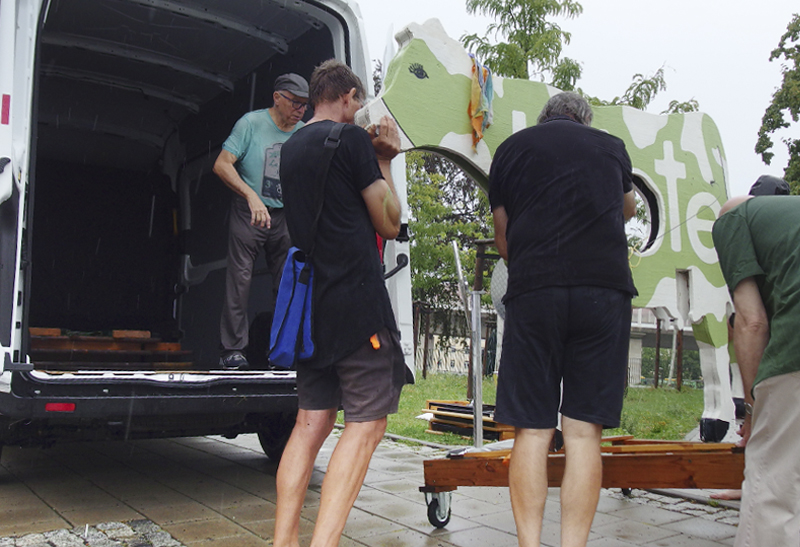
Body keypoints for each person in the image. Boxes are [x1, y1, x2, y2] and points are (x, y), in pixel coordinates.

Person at [274, 59, 413, 547]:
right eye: (358, 103)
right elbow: (389, 224)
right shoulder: (351, 140)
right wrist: (385, 160)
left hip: (313, 312)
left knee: (309, 424)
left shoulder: (290, 148)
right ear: (349, 97)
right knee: (367, 424)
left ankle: (284, 541)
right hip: (356, 305)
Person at [489, 91, 637, 547]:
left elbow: (503, 239)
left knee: (533, 431)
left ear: (544, 119)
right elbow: (628, 208)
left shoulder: (510, 151)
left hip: (535, 292)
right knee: (583, 433)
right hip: (603, 293)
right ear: (584, 120)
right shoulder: (610, 146)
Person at [712, 187, 800, 546]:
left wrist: (752, 411)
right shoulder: (785, 222)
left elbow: (751, 322)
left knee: (771, 476)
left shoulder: (732, 219)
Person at [214, 73, 309, 370]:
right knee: (240, 280)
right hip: (249, 211)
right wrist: (250, 195)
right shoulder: (251, 124)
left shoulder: (304, 133)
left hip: (284, 215)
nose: (300, 110)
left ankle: (281, 353)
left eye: (305, 105)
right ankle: (232, 351)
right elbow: (221, 164)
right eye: (295, 102)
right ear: (277, 98)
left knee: (287, 285)